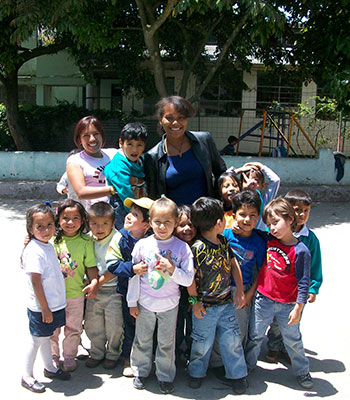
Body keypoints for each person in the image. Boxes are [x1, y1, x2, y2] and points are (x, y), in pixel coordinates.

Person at [127, 196, 194, 394]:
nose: (162, 227)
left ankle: (165, 376)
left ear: (175, 222)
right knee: (142, 340)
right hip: (145, 303)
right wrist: (132, 302)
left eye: (168, 222)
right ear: (150, 221)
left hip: (170, 305)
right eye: (157, 222)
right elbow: (134, 275)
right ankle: (140, 370)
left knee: (167, 343)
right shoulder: (142, 245)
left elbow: (189, 280)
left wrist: (173, 269)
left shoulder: (182, 248)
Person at [245, 197, 314, 390]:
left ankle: (302, 371)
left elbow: (303, 282)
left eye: (276, 222)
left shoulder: (301, 251)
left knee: (293, 340)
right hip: (263, 299)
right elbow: (247, 228)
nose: (272, 228)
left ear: (291, 219)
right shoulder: (267, 239)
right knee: (255, 336)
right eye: (268, 224)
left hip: (288, 305)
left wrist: (298, 308)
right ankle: (247, 366)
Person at [187, 197, 248, 395]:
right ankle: (196, 373)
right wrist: (195, 302)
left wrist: (239, 289)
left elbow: (233, 264)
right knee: (201, 343)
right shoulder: (197, 248)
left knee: (232, 341)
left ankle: (237, 375)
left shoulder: (223, 241)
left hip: (226, 303)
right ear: (218, 223)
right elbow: (190, 278)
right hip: (205, 308)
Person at [96, 197, 153, 377]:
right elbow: (112, 265)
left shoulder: (155, 240)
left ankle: (151, 358)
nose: (129, 216)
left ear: (147, 224)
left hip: (151, 294)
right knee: (130, 326)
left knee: (150, 327)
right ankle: (128, 358)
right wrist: (132, 268)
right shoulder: (119, 237)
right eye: (130, 212)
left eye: (136, 215)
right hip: (128, 294)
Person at [266, 189, 323, 363]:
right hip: (277, 289)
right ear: (288, 212)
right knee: (276, 322)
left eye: (306, 211)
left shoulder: (310, 239)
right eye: (297, 210)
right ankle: (274, 346)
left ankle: (286, 349)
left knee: (292, 322)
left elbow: (315, 266)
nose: (302, 214)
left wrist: (313, 288)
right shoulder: (274, 234)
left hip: (297, 292)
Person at [21, 204, 71, 393]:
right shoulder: (34, 250)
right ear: (30, 229)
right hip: (42, 307)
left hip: (53, 303)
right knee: (36, 340)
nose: (46, 230)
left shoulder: (47, 245)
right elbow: (36, 283)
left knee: (46, 337)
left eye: (49, 224)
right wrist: (45, 309)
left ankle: (49, 367)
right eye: (39, 226)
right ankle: (27, 375)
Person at [144, 95, 226, 205]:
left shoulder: (204, 140)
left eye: (181, 117)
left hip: (206, 216)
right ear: (160, 120)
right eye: (169, 118)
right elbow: (153, 196)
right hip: (175, 219)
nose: (175, 123)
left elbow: (221, 173)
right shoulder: (152, 156)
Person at [51, 199, 98, 372]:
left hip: (76, 295)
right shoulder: (52, 241)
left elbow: (90, 266)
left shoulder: (86, 242)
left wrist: (94, 282)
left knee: (73, 328)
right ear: (58, 220)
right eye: (65, 218)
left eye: (75, 218)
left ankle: (69, 356)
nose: (70, 222)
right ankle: (53, 356)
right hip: (53, 296)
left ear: (83, 220)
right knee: (53, 329)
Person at [82, 202, 124, 370]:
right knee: (93, 323)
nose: (99, 228)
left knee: (114, 325)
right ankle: (96, 352)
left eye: (105, 223)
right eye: (94, 224)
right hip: (94, 291)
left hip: (113, 290)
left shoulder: (118, 239)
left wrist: (96, 284)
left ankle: (113, 353)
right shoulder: (87, 239)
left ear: (113, 222)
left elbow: (115, 269)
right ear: (88, 223)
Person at [223, 190, 266, 345]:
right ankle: (217, 364)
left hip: (243, 290)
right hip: (221, 288)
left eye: (253, 215)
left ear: (259, 217)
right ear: (233, 215)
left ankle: (238, 364)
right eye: (242, 214)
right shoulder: (225, 235)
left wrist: (249, 294)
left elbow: (261, 271)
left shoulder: (259, 242)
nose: (247, 219)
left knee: (239, 330)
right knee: (218, 330)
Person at [66, 115, 117, 210]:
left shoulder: (114, 154)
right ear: (79, 140)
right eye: (86, 135)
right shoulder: (74, 160)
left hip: (116, 214)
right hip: (93, 216)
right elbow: (81, 192)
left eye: (96, 133)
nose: (92, 139)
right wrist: (114, 189)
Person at [104, 122, 148, 229]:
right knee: (125, 234)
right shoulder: (119, 164)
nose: (134, 150)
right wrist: (136, 213)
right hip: (123, 206)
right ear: (121, 143)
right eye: (130, 144)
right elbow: (124, 191)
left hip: (137, 204)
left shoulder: (141, 161)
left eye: (139, 145)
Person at [174, 205, 197, 362]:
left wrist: (193, 300)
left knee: (191, 325)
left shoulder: (198, 247)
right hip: (173, 295)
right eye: (181, 225)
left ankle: (190, 352)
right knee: (175, 326)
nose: (187, 229)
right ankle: (174, 353)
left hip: (193, 294)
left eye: (191, 224)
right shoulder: (172, 246)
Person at [233, 161, 280, 230]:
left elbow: (275, 180)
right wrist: (239, 170)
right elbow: (224, 178)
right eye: (246, 181)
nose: (251, 183)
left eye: (256, 181)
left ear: (262, 186)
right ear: (240, 184)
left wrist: (261, 166)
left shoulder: (265, 199)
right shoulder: (237, 199)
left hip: (259, 238)